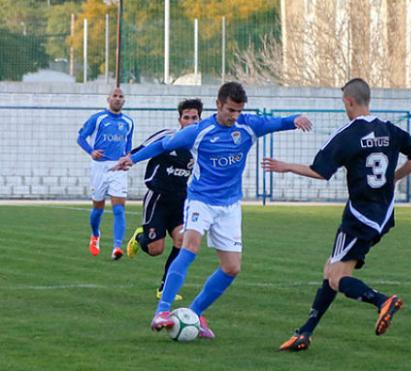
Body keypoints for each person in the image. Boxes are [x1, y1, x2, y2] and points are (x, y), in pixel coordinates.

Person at [112, 81, 312, 339]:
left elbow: (280, 123)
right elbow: (163, 145)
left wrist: (297, 118)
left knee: (232, 268)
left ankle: (195, 313)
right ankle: (162, 311)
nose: (234, 116)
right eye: (230, 110)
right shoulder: (199, 131)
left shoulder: (248, 125)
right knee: (189, 245)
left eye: (238, 111)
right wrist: (132, 159)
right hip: (200, 200)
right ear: (218, 105)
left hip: (229, 206)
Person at [261, 78, 411, 352]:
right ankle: (304, 332)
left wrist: (287, 166)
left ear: (348, 102)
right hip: (383, 215)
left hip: (359, 216)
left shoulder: (347, 135)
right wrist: (393, 179)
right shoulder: (390, 129)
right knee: (332, 270)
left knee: (336, 276)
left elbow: (319, 171)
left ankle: (381, 301)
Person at [125, 98, 204, 302]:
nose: (190, 121)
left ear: (199, 119)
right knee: (155, 250)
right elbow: (144, 148)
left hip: (181, 200)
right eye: (186, 117)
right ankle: (141, 237)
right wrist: (128, 159)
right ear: (180, 120)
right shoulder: (168, 136)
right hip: (158, 197)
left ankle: (164, 287)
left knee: (181, 239)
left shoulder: (200, 146)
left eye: (194, 117)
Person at [77, 87, 135, 260]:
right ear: (108, 99)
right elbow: (80, 138)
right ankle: (95, 234)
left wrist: (127, 157)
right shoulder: (98, 119)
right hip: (99, 167)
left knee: (119, 209)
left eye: (121, 96)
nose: (118, 99)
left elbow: (128, 144)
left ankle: (117, 247)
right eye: (115, 96)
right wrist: (91, 151)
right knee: (98, 209)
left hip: (118, 168)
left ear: (124, 100)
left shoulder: (128, 122)